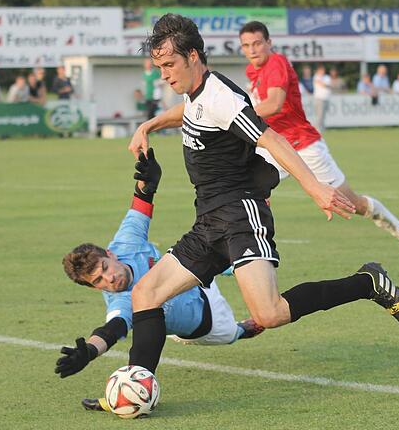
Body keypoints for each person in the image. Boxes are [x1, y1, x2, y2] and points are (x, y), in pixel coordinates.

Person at [126, 14, 399, 378]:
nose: (164, 74)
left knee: (269, 314)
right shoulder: (197, 94)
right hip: (209, 221)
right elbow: (186, 111)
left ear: (194, 56)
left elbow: (272, 138)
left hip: (241, 216)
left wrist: (315, 188)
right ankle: (138, 383)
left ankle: (367, 282)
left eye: (169, 64)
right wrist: (148, 125)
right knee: (145, 295)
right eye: (159, 66)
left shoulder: (221, 97)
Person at [56, 149, 264, 411]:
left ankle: (233, 264)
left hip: (193, 277)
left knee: (213, 248)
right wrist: (89, 350)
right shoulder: (121, 301)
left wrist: (148, 178)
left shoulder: (126, 241)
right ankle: (244, 329)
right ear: (92, 287)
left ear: (109, 254)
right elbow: (113, 329)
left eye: (105, 268)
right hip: (208, 322)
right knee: (231, 334)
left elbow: (141, 202)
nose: (110, 279)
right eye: (98, 281)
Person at [240, 20, 399, 266]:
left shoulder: (276, 64)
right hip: (276, 145)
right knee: (245, 191)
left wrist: (236, 116)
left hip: (304, 145)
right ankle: (243, 253)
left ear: (269, 43)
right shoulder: (252, 71)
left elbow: (273, 104)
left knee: (353, 204)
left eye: (257, 43)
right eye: (246, 45)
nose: (252, 50)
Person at [312, 65, 331, 132]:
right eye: (321, 70)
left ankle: (322, 127)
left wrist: (322, 83)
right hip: (319, 98)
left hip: (326, 98)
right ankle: (317, 128)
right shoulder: (316, 76)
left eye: (323, 70)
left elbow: (327, 85)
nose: (322, 72)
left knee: (323, 114)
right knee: (319, 115)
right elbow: (323, 84)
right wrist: (323, 83)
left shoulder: (327, 77)